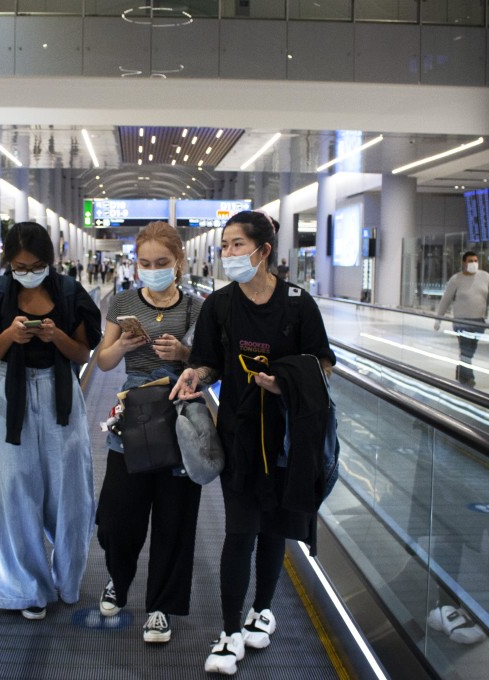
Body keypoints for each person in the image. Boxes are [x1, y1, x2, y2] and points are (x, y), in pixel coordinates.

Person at [170, 211, 336, 675]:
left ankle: (262, 608)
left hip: (286, 436)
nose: (228, 253)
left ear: (264, 251)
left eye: (237, 245)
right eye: (225, 245)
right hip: (239, 433)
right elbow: (208, 361)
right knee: (241, 529)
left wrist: (285, 383)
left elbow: (323, 363)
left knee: (274, 526)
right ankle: (229, 632)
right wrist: (195, 375)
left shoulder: (298, 304)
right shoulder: (221, 305)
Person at [0, 221, 103, 620]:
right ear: (8, 263)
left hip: (60, 393)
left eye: (36, 266)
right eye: (20, 267)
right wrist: (10, 336)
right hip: (11, 396)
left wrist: (55, 336)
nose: (28, 273)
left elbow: (82, 353)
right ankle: (26, 588)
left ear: (50, 260)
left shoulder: (69, 293)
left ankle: (67, 579)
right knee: (15, 488)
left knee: (70, 488)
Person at [95, 221, 204, 644]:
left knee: (175, 516)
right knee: (117, 514)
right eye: (145, 262)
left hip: (179, 417)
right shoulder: (123, 301)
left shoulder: (195, 307)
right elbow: (103, 361)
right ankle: (118, 579)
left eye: (162, 262)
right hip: (132, 417)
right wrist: (122, 345)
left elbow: (209, 363)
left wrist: (183, 353)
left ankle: (161, 606)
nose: (153, 270)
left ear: (178, 262)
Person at [434, 251, 489, 388]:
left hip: (478, 322)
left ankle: (461, 372)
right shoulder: (456, 279)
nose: (474, 263)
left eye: (475, 260)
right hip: (461, 322)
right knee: (466, 350)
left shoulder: (484, 276)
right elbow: (446, 300)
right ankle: (469, 380)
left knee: (470, 351)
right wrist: (438, 319)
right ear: (464, 263)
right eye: (470, 261)